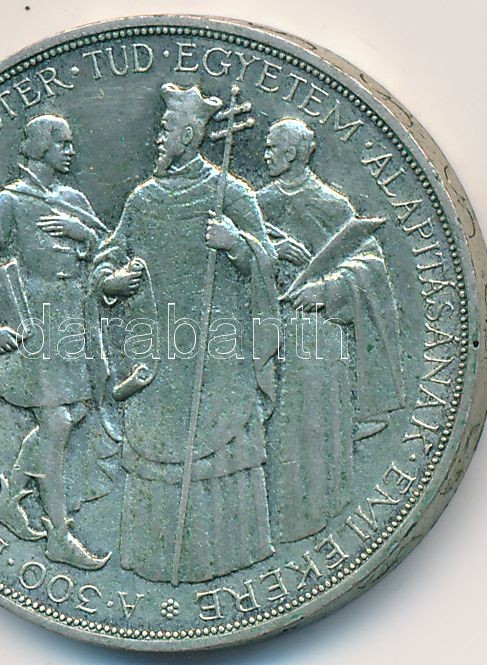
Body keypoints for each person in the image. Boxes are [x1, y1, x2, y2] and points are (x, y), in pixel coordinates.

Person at [93, 83, 279, 584]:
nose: (158, 139)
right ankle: (153, 562)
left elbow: (268, 264)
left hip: (216, 362)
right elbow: (107, 257)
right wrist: (111, 282)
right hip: (157, 360)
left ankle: (227, 560)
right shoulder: (143, 200)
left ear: (191, 135)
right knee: (157, 458)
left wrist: (235, 243)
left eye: (166, 130)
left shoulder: (230, 194)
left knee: (219, 453)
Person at [0, 114, 111, 569]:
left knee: (71, 415)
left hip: (72, 320)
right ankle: (59, 536)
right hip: (33, 321)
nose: (71, 151)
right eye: (63, 143)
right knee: (58, 420)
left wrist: (83, 235)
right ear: (41, 146)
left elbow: (109, 250)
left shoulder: (73, 200)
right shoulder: (8, 201)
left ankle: (9, 500)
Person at [257, 117, 405, 543]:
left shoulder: (332, 205)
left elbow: (369, 266)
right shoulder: (258, 203)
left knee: (312, 431)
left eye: (272, 147)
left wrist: (326, 289)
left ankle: (317, 517)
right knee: (272, 433)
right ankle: (270, 526)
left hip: (317, 338)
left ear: (293, 153)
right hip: (265, 336)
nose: (266, 155)